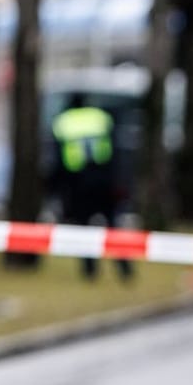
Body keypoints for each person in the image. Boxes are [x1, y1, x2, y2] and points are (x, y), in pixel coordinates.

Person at [49, 93, 132, 281]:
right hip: (104, 180)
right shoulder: (101, 118)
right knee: (113, 227)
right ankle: (124, 268)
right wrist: (121, 181)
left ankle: (89, 271)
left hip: (78, 185)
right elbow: (117, 152)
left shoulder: (63, 122)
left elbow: (57, 160)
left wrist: (56, 190)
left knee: (83, 229)